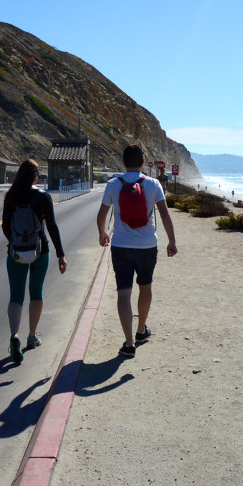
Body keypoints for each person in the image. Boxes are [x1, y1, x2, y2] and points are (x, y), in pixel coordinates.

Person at [97, 143, 178, 358]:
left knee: (124, 293)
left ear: (124, 162)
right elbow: (165, 215)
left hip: (121, 245)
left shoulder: (114, 184)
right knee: (145, 287)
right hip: (147, 246)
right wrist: (172, 241)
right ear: (143, 163)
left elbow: (102, 214)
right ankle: (141, 329)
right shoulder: (153, 184)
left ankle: (129, 343)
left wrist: (102, 233)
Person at [1, 159, 67, 363]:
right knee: (36, 293)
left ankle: (14, 335)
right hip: (41, 251)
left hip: (16, 253)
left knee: (16, 297)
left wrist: (17, 242)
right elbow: (53, 227)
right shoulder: (43, 198)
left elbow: (5, 227)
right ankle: (32, 336)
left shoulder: (10, 197)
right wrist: (60, 254)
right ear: (35, 176)